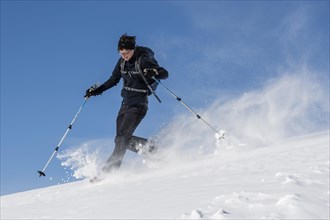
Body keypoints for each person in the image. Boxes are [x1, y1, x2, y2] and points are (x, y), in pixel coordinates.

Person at [85, 34, 169, 176]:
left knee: (121, 139)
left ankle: (108, 173)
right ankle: (154, 151)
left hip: (138, 105)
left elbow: (164, 73)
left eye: (127, 53)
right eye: (121, 53)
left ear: (133, 49)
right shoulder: (122, 62)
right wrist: (97, 91)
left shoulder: (143, 60)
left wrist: (154, 71)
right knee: (122, 140)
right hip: (125, 105)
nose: (124, 56)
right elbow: (113, 79)